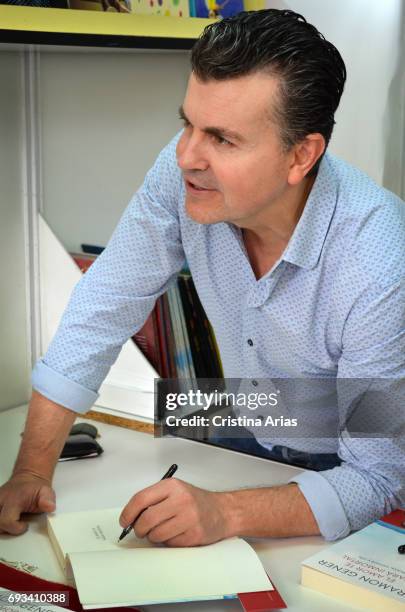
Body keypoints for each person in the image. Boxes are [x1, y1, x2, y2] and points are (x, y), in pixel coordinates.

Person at [0, 9, 404, 546]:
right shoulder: (181, 170)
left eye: (223, 139)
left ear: (301, 155)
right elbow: (105, 302)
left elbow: (381, 475)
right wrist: (30, 470)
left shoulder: (382, 260)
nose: (187, 155)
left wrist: (229, 513)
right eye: (186, 123)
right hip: (245, 413)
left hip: (345, 455)